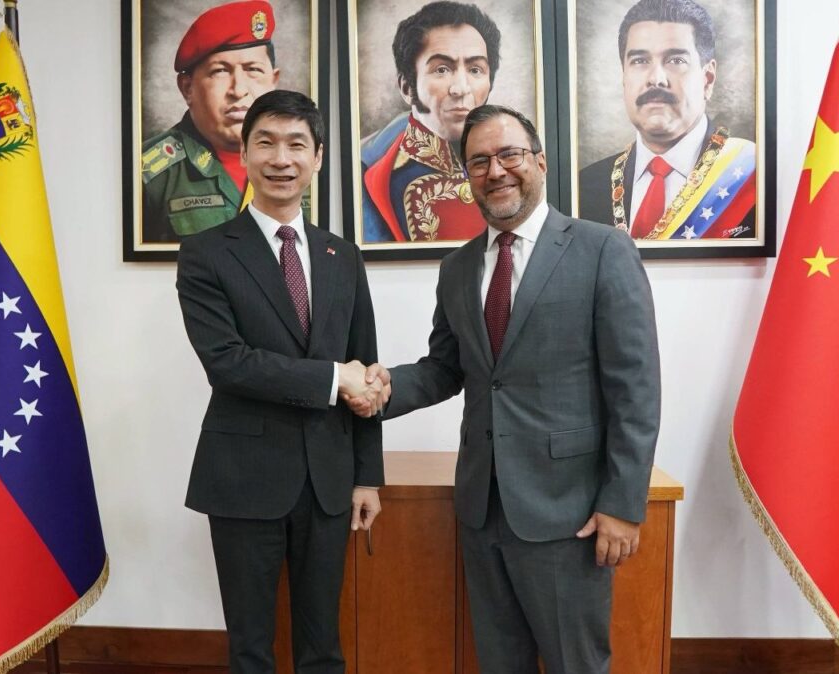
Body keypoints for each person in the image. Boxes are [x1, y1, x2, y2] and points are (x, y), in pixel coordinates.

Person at [349, 105, 660, 674]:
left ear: (539, 161)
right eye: (479, 161)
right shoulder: (458, 267)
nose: (496, 171)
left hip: (569, 512)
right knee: (499, 662)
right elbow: (447, 368)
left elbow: (636, 389)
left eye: (509, 155)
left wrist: (622, 504)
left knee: (577, 664)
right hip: (482, 507)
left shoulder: (601, 250)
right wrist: (385, 386)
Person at [176, 89, 387, 674]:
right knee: (250, 648)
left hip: (328, 480)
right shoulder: (206, 255)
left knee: (323, 646)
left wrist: (367, 475)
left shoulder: (342, 256)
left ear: (317, 158)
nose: (281, 158)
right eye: (265, 142)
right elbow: (228, 361)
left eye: (297, 144)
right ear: (244, 153)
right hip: (244, 480)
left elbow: (363, 371)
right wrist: (331, 379)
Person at [577, 0, 756, 241]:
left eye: (676, 60)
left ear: (708, 78)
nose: (656, 79)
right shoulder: (584, 187)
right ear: (624, 77)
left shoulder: (752, 179)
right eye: (640, 61)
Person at [361, 1, 500, 244]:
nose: (461, 88)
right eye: (442, 69)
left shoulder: (512, 161)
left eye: (476, 70)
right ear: (406, 86)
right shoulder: (373, 172)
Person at [143, 0, 281, 243]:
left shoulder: (301, 164)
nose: (238, 90)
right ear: (187, 88)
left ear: (274, 81)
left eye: (253, 70)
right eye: (220, 71)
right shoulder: (148, 175)